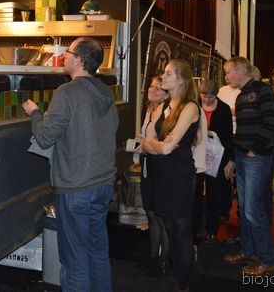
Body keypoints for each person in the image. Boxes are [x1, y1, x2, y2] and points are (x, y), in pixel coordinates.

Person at [22, 37, 117, 291]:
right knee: (97, 253)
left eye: (68, 51)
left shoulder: (67, 92)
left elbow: (44, 137)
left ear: (79, 59)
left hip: (76, 188)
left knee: (74, 260)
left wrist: (35, 113)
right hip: (103, 184)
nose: (64, 55)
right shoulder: (106, 92)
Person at [138, 59, 200, 292]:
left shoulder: (189, 107)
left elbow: (164, 148)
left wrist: (152, 145)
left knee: (181, 231)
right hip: (160, 174)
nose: (163, 77)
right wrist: (155, 144)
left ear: (181, 80)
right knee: (170, 229)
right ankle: (178, 276)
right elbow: (152, 142)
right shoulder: (166, 105)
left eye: (168, 73)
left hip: (178, 176)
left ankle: (183, 283)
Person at [222, 57, 274, 277]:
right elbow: (241, 132)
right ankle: (248, 251)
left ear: (240, 71)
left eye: (228, 72)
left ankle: (267, 260)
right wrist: (234, 159)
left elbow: (272, 124)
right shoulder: (241, 95)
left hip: (256, 158)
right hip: (243, 157)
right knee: (245, 208)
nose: (226, 76)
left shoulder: (263, 91)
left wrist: (255, 149)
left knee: (253, 210)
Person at [135, 76, 170, 276]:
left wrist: (146, 144)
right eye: (151, 86)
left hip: (161, 167)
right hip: (148, 164)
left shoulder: (168, 112)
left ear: (166, 94)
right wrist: (140, 140)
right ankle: (153, 257)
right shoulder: (149, 109)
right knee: (151, 213)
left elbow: (163, 142)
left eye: (158, 88)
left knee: (162, 215)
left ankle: (164, 261)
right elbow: (147, 137)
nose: (152, 90)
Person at [197, 79, 234, 243]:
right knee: (196, 193)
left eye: (210, 97)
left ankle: (211, 229)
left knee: (214, 193)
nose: (206, 100)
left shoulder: (224, 109)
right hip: (197, 154)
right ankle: (197, 227)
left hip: (217, 156)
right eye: (203, 96)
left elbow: (228, 137)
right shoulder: (195, 106)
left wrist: (230, 160)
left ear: (216, 95)